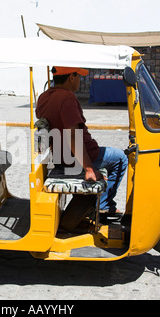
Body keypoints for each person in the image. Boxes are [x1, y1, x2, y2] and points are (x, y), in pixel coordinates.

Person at [36, 66, 128, 214]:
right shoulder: (67, 98)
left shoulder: (43, 97)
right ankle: (103, 206)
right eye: (78, 76)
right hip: (78, 158)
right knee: (121, 158)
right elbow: (72, 135)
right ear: (71, 77)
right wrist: (89, 168)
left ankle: (93, 204)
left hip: (61, 157)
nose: (80, 79)